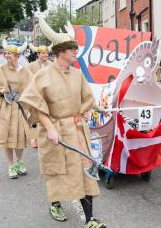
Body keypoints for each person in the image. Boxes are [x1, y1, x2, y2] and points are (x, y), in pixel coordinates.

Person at [19, 18, 106, 227]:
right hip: (54, 132)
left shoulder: (77, 74)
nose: (76, 52)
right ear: (60, 51)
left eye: (76, 48)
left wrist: (85, 113)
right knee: (56, 170)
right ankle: (55, 203)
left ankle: (90, 219)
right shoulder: (43, 75)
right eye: (72, 49)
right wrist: (50, 129)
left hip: (76, 131)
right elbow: (36, 105)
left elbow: (87, 98)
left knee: (85, 172)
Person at [0, 42, 32, 179]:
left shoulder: (25, 70)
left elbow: (32, 90)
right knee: (8, 137)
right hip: (6, 107)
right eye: (6, 53)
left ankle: (20, 162)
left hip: (20, 108)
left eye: (10, 53)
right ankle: (11, 166)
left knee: (20, 137)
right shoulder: (0, 69)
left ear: (17, 55)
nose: (7, 55)